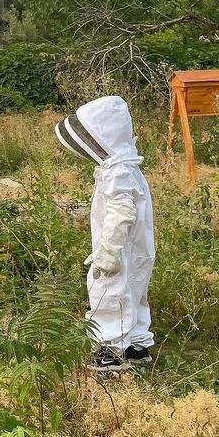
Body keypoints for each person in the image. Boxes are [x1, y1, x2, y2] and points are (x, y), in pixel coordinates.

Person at [54, 96, 155, 373]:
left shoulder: (118, 171)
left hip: (119, 247)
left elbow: (122, 212)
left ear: (107, 135)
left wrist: (108, 251)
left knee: (109, 291)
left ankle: (110, 350)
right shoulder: (124, 166)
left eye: (95, 137)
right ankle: (136, 345)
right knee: (134, 290)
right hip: (134, 249)